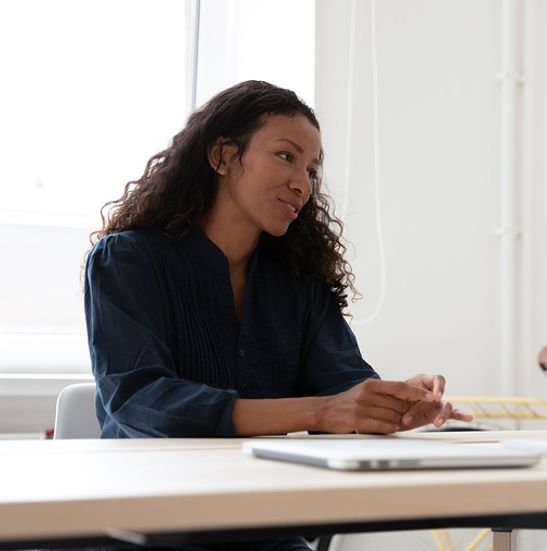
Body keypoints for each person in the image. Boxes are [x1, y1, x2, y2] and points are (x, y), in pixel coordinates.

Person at [84, 81, 471, 549]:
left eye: (312, 169)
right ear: (223, 156)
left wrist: (394, 405)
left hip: (263, 526)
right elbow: (140, 400)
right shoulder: (127, 260)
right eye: (286, 157)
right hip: (146, 525)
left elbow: (344, 385)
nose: (303, 184)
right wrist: (324, 411)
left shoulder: (298, 280)